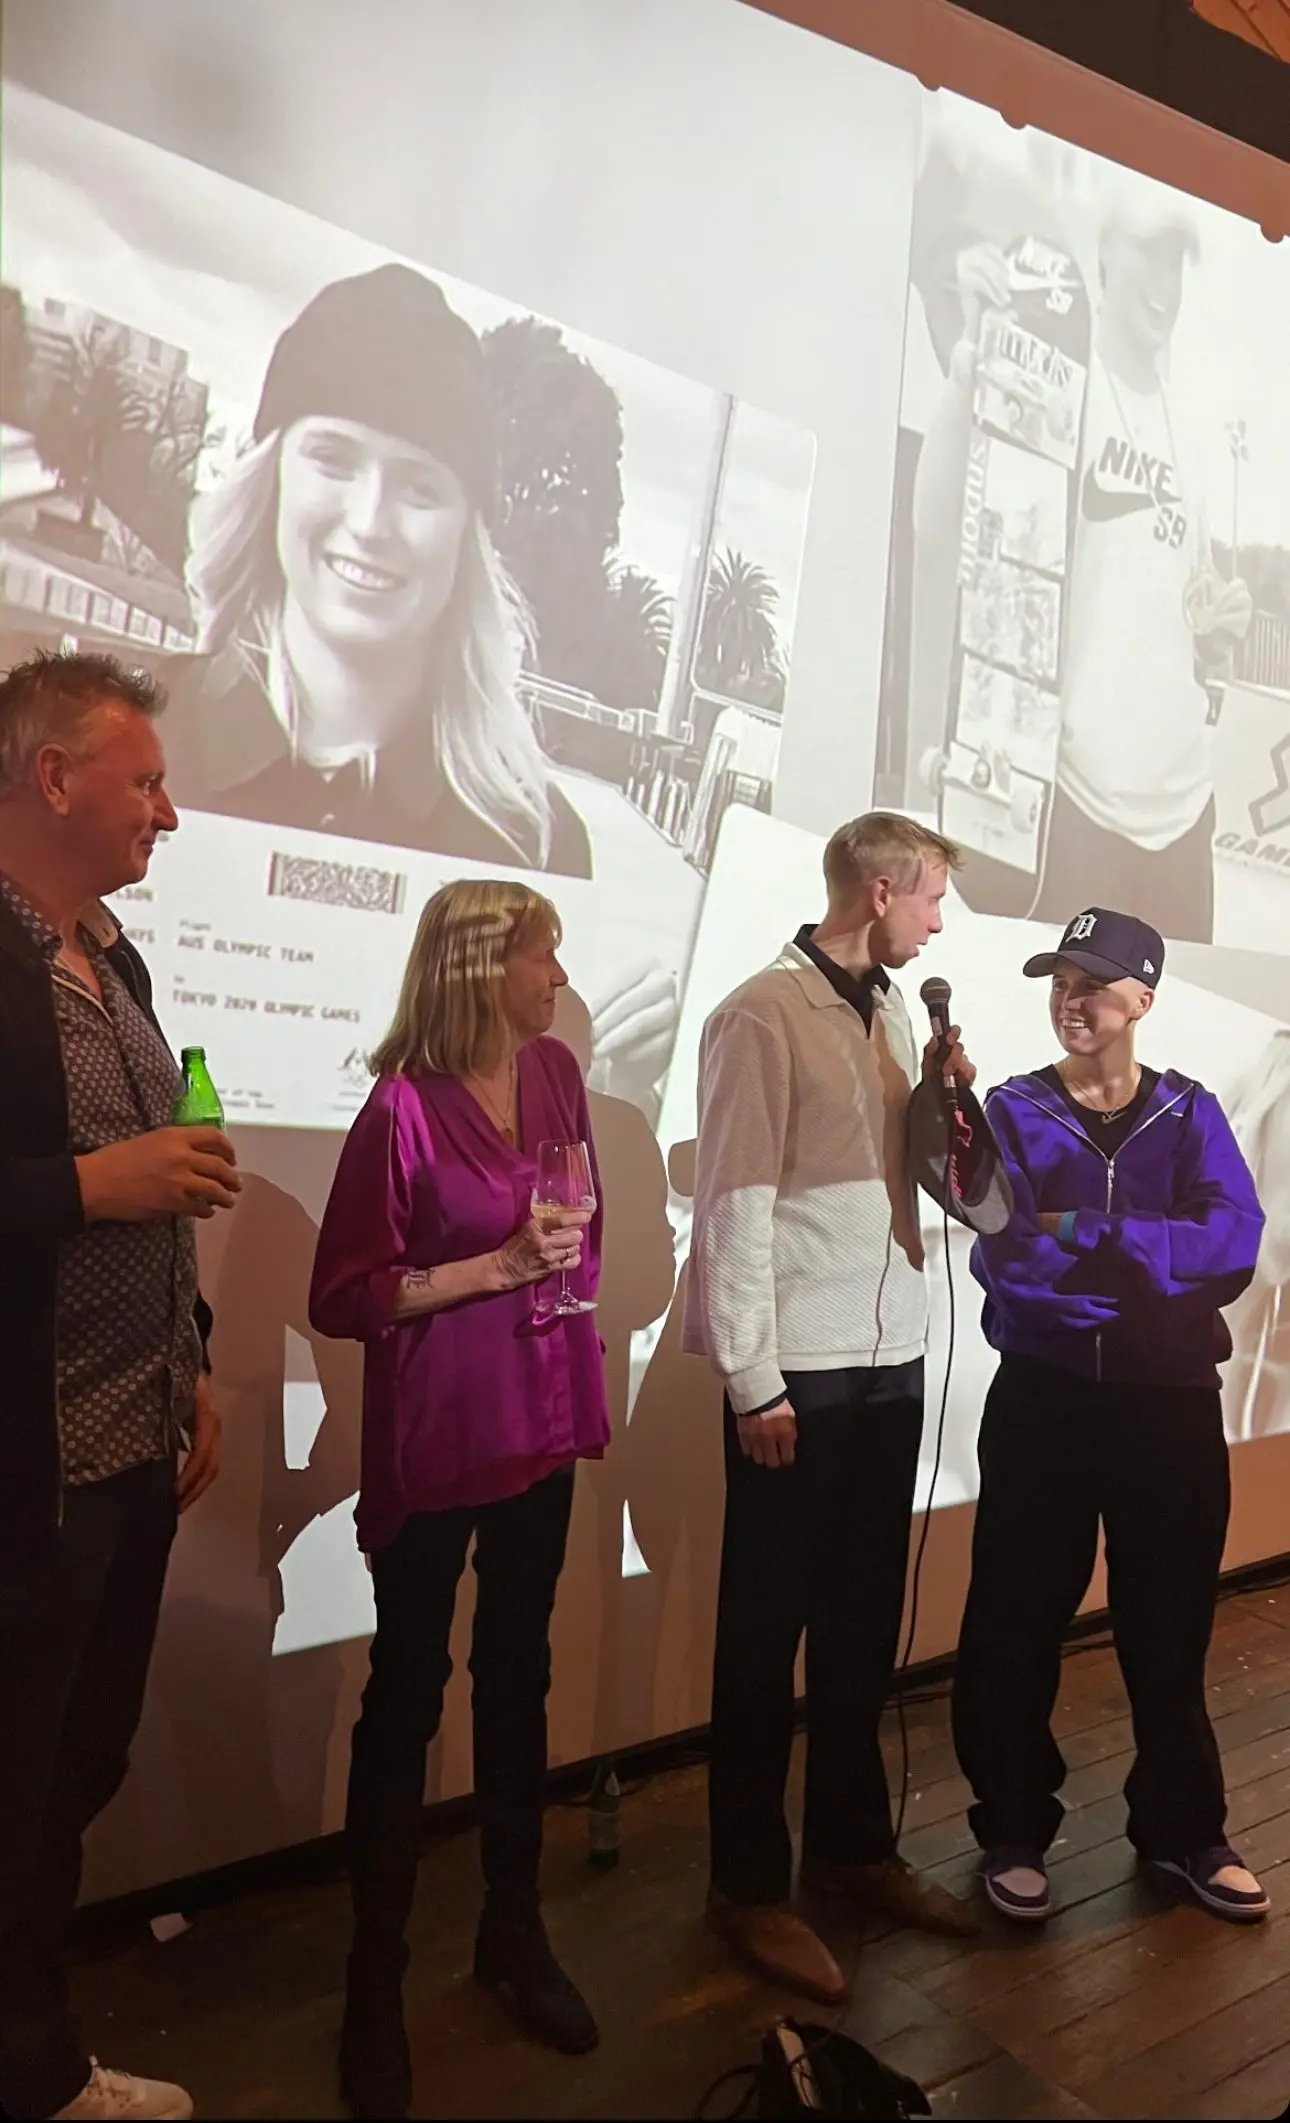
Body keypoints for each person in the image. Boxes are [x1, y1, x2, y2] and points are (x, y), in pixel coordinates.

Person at [157, 260, 677, 1120]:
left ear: (465, 536)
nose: (369, 520)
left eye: (420, 485)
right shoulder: (123, 737)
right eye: (332, 457)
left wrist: (607, 1086)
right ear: (270, 473)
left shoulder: (532, 845)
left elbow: (528, 1145)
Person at [308, 878, 609, 2121]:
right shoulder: (399, 1110)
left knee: (519, 1674)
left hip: (538, 1417)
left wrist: (553, 1279)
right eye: (545, 956)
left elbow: (584, 1235)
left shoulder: (555, 1079)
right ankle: (372, 1989)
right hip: (440, 1435)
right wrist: (491, 1266)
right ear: (487, 966)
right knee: (407, 1695)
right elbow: (345, 1294)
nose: (559, 977)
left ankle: (511, 1929)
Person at [684, 812, 990, 2006]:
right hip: (797, 1373)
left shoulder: (895, 1011)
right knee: (764, 1639)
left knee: (862, 1626)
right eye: (928, 899)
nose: (938, 918)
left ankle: (852, 1847)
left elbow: (905, 1180)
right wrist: (752, 1376)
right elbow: (735, 1203)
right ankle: (747, 1885)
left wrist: (939, 1102)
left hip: (889, 1353)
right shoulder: (761, 1012)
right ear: (875, 890)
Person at [0, 648, 237, 2123]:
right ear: (53, 776)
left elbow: (157, 1198)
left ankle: (36, 2052)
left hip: (135, 1439)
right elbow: (100, 1188)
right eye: (145, 779)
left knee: (71, 1768)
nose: (169, 810)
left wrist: (196, 1362)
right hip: (34, 1461)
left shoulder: (116, 957)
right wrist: (90, 1184)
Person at [953, 905, 1270, 1925]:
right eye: (1058, 981)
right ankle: (1012, 1826)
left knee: (1168, 1630)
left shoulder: (1191, 1112)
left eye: (1091, 983)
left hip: (1169, 1410)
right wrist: (1140, 1259)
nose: (1070, 1000)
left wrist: (1097, 1232)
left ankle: (1183, 1832)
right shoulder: (1009, 1108)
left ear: (1142, 998)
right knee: (1014, 1622)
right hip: (1044, 1403)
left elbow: (1230, 1241)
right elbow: (1004, 1244)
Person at [908, 158, 1251, 942]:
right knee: (1070, 1042)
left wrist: (1212, 630)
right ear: (1104, 258)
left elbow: (1178, 616)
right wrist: (969, 359)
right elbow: (936, 517)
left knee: (1163, 1056)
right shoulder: (1060, 379)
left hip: (1182, 808)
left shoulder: (1188, 430)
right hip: (1081, 798)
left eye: (1177, 261)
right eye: (1147, 254)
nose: (1164, 282)